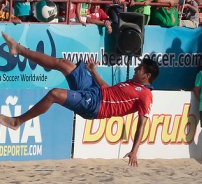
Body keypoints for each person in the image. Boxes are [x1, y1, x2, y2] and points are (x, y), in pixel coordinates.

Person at [0, 32, 159, 166]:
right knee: (63, 63)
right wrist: (93, 72)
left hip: (96, 106)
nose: (136, 69)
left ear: (147, 76)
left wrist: (134, 151)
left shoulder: (146, 95)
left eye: (139, 69)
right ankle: (18, 49)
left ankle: (17, 122)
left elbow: (142, 124)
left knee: (54, 93)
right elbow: (107, 89)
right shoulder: (132, 82)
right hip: (96, 91)